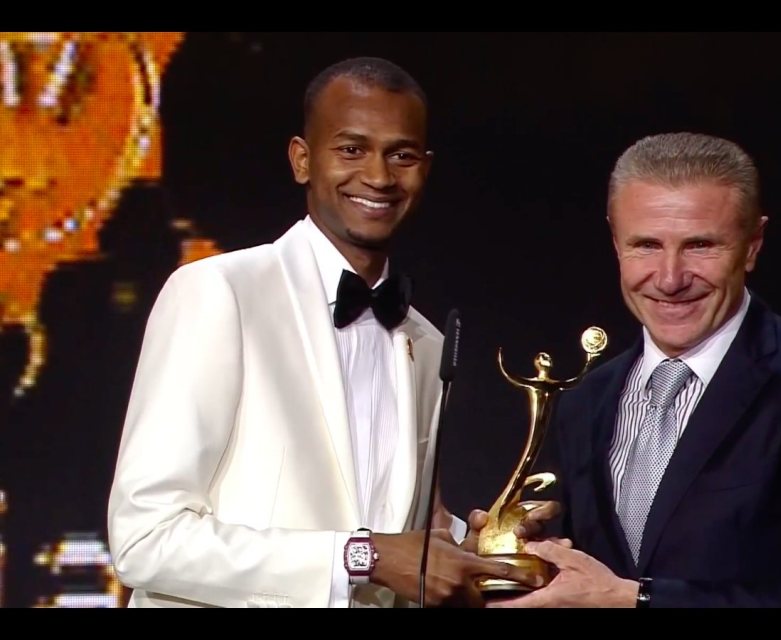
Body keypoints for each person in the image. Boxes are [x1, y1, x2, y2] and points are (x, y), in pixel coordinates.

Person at [107, 56, 552, 609]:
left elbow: (400, 535)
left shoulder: (425, 342)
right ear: (302, 160)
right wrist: (361, 555)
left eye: (402, 155)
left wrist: (488, 544)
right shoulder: (219, 293)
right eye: (351, 149)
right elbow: (145, 540)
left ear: (425, 169)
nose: (379, 176)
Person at [489, 131, 781, 608]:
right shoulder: (587, 400)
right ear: (614, 242)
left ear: (753, 244)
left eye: (700, 245)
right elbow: (584, 582)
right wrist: (515, 555)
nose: (670, 279)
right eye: (645, 245)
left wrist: (635, 599)